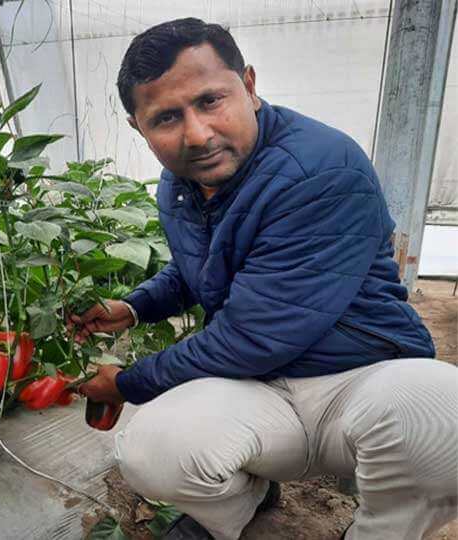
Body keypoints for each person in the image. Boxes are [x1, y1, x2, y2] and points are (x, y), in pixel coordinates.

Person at [68, 18, 458, 540]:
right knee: (151, 450)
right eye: (166, 117)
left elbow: (253, 337)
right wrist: (135, 307)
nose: (198, 134)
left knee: (439, 414)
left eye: (210, 101)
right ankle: (242, 508)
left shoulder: (319, 169)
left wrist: (127, 383)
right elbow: (203, 267)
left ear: (248, 86)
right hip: (261, 391)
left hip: (358, 382)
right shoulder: (184, 181)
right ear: (139, 128)